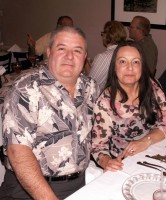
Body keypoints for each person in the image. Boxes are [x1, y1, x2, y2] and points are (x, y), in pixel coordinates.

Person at [0, 26, 100, 199]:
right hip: (29, 188)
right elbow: (18, 153)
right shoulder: (26, 89)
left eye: (77, 50)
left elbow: (98, 131)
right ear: (49, 52)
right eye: (62, 49)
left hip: (80, 183)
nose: (69, 56)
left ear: (84, 57)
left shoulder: (91, 87)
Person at [91, 40, 166, 172]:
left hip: (155, 150)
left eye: (136, 62)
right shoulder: (105, 102)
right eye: (123, 61)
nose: (130, 67)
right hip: (125, 162)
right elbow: (98, 147)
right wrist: (107, 162)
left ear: (142, 66)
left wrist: (145, 141)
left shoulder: (152, 85)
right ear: (114, 67)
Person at [89, 20, 127, 91]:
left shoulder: (103, 57)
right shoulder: (126, 52)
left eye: (103, 33)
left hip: (106, 98)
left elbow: (89, 86)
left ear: (106, 35)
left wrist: (87, 67)